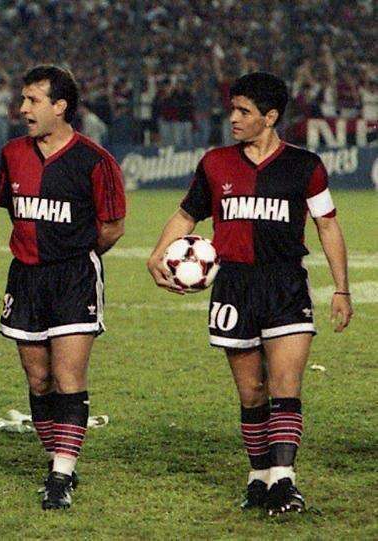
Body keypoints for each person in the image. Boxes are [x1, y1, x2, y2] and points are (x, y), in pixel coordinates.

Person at [147, 72, 353, 515]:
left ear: (270, 116)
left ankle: (284, 480)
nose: (234, 118)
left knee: (285, 386)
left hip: (285, 283)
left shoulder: (305, 165)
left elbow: (328, 225)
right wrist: (158, 254)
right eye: (233, 110)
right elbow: (186, 215)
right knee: (252, 392)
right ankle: (258, 476)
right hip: (234, 286)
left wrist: (341, 288)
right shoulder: (216, 163)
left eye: (244, 111)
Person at [0, 64, 125, 510]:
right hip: (25, 277)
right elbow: (11, 208)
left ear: (60, 106)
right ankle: (57, 456)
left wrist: (75, 254)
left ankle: (61, 474)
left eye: (33, 100)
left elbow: (112, 227)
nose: (23, 109)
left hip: (73, 278)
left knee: (68, 377)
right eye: (24, 99)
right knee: (39, 378)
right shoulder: (13, 153)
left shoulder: (95, 160)